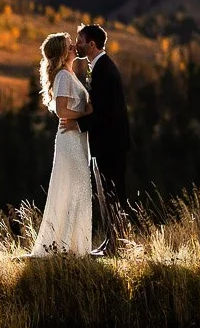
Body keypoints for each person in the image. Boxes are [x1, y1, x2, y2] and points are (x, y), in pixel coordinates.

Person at [60, 23, 131, 257]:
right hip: (105, 143)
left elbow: (105, 113)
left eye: (80, 41)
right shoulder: (97, 67)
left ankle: (117, 245)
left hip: (111, 143)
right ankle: (111, 242)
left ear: (91, 44)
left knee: (113, 194)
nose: (76, 45)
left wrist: (76, 124)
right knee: (106, 194)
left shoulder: (104, 70)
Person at [30, 32, 93, 256]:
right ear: (63, 53)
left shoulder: (68, 74)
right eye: (70, 45)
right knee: (76, 188)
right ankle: (66, 246)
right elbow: (61, 111)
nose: (75, 46)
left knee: (77, 188)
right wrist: (86, 113)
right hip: (70, 139)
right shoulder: (64, 77)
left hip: (75, 137)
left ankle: (73, 245)